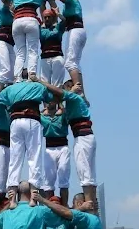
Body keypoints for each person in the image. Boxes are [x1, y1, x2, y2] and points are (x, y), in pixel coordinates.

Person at [33, 78, 96, 208]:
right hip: (51, 147)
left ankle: (68, 204)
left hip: (65, 146)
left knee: (67, 178)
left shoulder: (66, 109)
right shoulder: (43, 116)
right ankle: (50, 204)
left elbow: (63, 99)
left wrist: (39, 81)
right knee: (49, 180)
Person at [0, 79, 53, 200]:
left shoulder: (10, 89)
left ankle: (12, 200)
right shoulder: (37, 86)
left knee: (15, 160)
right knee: (34, 158)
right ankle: (33, 197)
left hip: (16, 121)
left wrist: (10, 99)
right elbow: (50, 98)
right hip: (32, 119)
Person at [32, 0, 88, 103]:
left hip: (75, 31)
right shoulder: (73, 5)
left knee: (70, 64)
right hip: (78, 30)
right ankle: (82, 92)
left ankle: (77, 89)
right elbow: (45, 13)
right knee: (75, 64)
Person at [0, 0, 53, 82]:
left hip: (17, 22)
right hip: (30, 20)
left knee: (20, 52)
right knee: (33, 50)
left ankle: (17, 77)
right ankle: (31, 75)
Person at [40, 100, 69, 202]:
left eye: (53, 99)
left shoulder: (62, 115)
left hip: (63, 147)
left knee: (64, 176)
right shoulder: (41, 117)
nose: (50, 102)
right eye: (48, 100)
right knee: (48, 178)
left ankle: (64, 204)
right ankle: (49, 203)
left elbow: (66, 114)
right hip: (49, 149)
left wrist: (60, 103)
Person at [38, 7, 66, 88]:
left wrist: (58, 14)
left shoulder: (58, 28)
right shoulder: (40, 29)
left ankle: (57, 100)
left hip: (57, 57)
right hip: (45, 58)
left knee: (57, 83)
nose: (47, 19)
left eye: (49, 17)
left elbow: (64, 21)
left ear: (53, 18)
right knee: (44, 83)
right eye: (45, 17)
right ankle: (47, 101)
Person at [0, 3, 16, 92]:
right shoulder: (4, 10)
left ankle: (8, 97)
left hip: (10, 45)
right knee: (5, 68)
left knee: (12, 73)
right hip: (2, 42)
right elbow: (5, 0)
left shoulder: (15, 15)